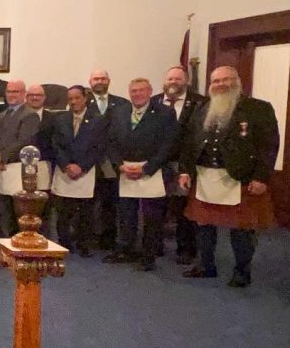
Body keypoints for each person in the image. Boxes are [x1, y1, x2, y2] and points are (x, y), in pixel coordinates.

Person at [179, 66, 279, 287]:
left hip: (239, 177)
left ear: (238, 81)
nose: (221, 84)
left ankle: (242, 271)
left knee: (242, 228)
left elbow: (269, 146)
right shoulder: (202, 108)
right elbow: (190, 142)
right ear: (210, 85)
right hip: (205, 177)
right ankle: (206, 266)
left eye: (227, 80)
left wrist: (261, 177)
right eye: (216, 81)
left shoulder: (257, 108)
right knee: (203, 224)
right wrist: (185, 170)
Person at [104, 78, 176, 272]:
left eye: (141, 91)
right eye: (133, 91)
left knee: (152, 217)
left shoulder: (165, 113)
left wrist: (147, 168)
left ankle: (148, 255)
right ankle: (126, 250)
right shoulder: (120, 111)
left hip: (151, 170)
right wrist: (119, 165)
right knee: (126, 215)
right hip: (125, 170)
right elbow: (110, 141)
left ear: (150, 91)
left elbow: (168, 144)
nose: (137, 94)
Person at [151, 65, 208, 264]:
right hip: (157, 164)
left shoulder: (201, 103)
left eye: (178, 79)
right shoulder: (153, 101)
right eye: (170, 79)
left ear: (186, 81)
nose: (173, 82)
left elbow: (198, 137)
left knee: (183, 209)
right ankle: (154, 246)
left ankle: (185, 249)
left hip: (184, 164)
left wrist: (186, 168)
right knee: (156, 207)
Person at [52, 85, 106, 257]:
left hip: (86, 171)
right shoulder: (61, 119)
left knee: (85, 212)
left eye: (77, 98)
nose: (74, 102)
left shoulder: (97, 120)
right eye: (70, 99)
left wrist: (81, 166)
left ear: (85, 98)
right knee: (63, 211)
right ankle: (63, 243)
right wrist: (67, 165)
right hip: (64, 170)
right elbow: (56, 144)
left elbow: (99, 148)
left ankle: (84, 244)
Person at [0, 80, 41, 237]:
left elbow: (24, 140)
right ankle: (5, 241)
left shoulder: (30, 115)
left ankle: (20, 241)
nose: (11, 95)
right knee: (2, 208)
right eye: (9, 92)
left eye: (16, 92)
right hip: (1, 168)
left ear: (24, 94)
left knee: (19, 209)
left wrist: (2, 157)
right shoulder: (1, 115)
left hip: (18, 168)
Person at [87, 69, 130, 251]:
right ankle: (88, 237)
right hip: (89, 159)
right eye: (96, 78)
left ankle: (108, 238)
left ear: (109, 81)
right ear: (90, 82)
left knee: (110, 201)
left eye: (103, 78)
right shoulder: (81, 102)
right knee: (88, 201)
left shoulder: (122, 104)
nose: (99, 81)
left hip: (112, 159)